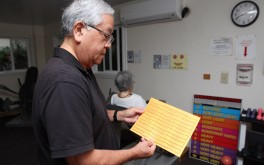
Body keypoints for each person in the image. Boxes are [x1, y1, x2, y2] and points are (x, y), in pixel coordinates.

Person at [32, 0, 156, 165]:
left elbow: (86, 115)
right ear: (79, 30)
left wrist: (120, 115)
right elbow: (81, 161)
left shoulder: (81, 68)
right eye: (106, 35)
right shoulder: (64, 81)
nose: (108, 45)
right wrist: (134, 152)